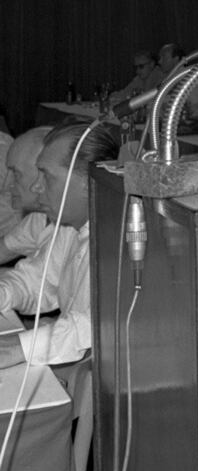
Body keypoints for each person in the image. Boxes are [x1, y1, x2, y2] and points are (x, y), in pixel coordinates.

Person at [0, 121, 118, 367]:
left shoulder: (120, 238)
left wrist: (19, 348)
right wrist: (4, 293)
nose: (36, 186)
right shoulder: (66, 226)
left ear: (88, 182)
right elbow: (37, 279)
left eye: (46, 176)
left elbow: (98, 324)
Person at [0, 126, 53, 264]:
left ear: (43, 174)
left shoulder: (74, 226)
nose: (7, 184)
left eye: (16, 173)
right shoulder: (40, 217)